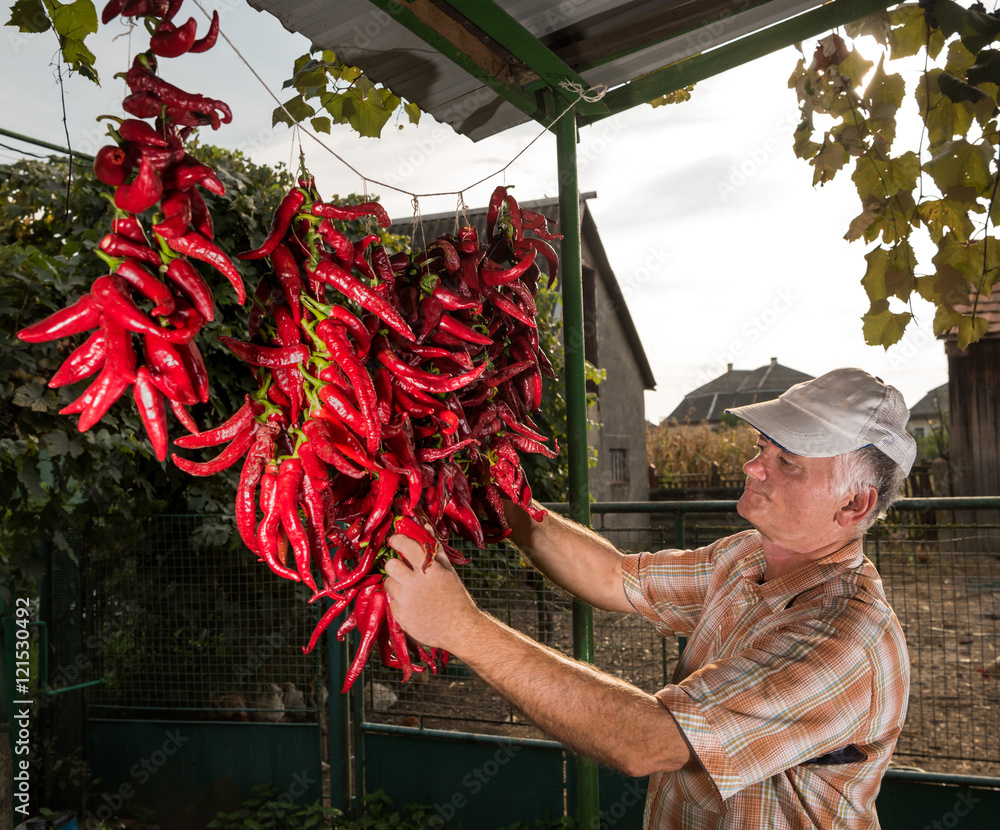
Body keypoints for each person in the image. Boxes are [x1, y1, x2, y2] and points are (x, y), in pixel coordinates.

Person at [384, 368, 914, 829]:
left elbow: (650, 741)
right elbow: (615, 577)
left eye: (789, 462)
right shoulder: (747, 558)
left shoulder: (843, 637)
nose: (754, 467)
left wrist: (462, 628)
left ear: (854, 503)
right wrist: (498, 499)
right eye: (761, 449)